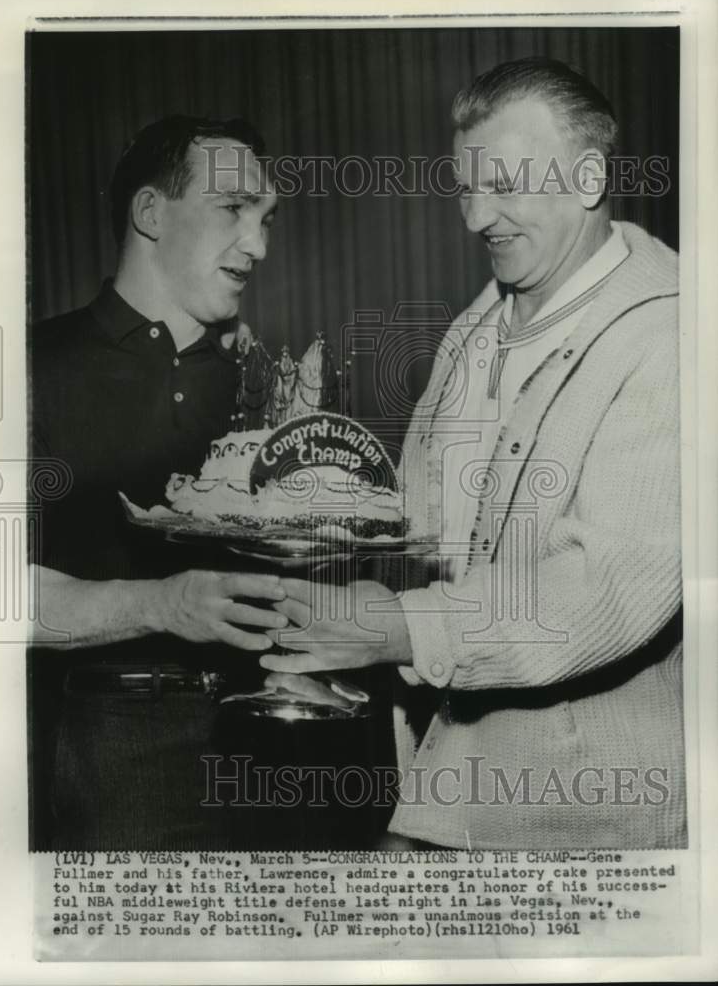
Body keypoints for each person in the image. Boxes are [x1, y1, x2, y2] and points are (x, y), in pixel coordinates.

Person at [266, 58, 685, 849]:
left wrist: (394, 628)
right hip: (447, 785)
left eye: (503, 184)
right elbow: (432, 527)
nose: (473, 217)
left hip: (583, 819)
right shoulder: (483, 319)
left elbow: (604, 589)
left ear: (588, 177)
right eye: (464, 187)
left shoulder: (671, 334)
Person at [29, 115, 286, 848]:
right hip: (111, 745)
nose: (258, 244)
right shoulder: (26, 367)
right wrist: (164, 603)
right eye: (233, 209)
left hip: (272, 739)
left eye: (266, 218)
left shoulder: (261, 382)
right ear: (149, 212)